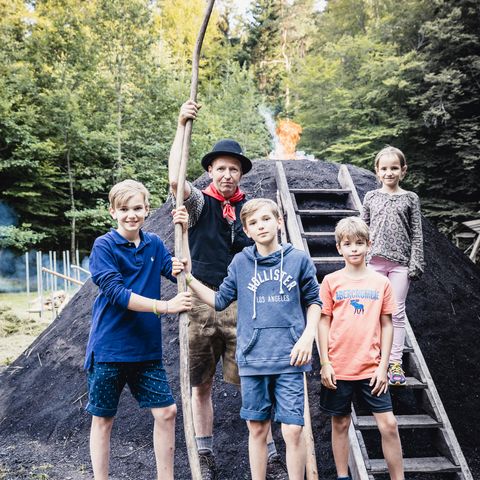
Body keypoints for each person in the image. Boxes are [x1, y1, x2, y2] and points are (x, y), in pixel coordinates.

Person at [168, 102, 287, 479]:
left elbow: (270, 242)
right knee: (200, 383)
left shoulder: (250, 210)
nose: (227, 174)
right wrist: (181, 125)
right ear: (209, 171)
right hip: (200, 303)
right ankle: (204, 453)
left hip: (243, 305)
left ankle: (269, 452)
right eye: (220, 168)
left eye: (233, 169)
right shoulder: (200, 203)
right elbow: (175, 180)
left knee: (251, 380)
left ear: (240, 173)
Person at [180, 198, 322, 480]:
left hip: (290, 357)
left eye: (266, 219)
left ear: (279, 222)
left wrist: (308, 337)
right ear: (246, 229)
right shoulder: (241, 262)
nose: (261, 226)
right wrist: (188, 278)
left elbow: (315, 301)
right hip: (253, 359)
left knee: (293, 429)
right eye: (253, 223)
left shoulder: (298, 260)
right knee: (257, 427)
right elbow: (220, 301)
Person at [84, 179, 192, 480]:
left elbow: (181, 273)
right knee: (104, 419)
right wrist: (166, 306)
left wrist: (186, 233)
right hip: (110, 348)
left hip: (146, 350)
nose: (131, 214)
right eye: (124, 209)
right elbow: (118, 294)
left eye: (137, 208)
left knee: (167, 412)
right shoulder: (104, 246)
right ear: (112, 212)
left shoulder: (154, 244)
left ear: (147, 209)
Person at [319, 216, 404, 480]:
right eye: (348, 244)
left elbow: (387, 325)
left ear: (369, 245)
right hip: (339, 367)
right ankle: (343, 476)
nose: (354, 248)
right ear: (339, 248)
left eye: (359, 243)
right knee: (341, 423)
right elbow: (323, 323)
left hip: (371, 368)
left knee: (388, 424)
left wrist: (384, 366)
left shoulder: (381, 283)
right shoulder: (331, 282)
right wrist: (325, 363)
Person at [361, 146, 425, 386]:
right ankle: (374, 358)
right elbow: (362, 229)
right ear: (377, 171)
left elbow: (417, 234)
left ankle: (394, 363)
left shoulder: (410, 198)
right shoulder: (371, 197)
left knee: (396, 313)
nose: (389, 173)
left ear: (403, 171)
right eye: (384, 168)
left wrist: (415, 262)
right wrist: (361, 261)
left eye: (394, 168)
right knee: (373, 311)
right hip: (374, 263)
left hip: (400, 265)